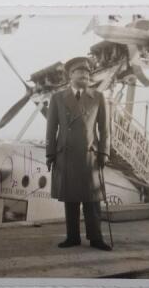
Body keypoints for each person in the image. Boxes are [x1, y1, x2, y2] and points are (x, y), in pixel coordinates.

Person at [46, 57, 112, 251]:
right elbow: (51, 129)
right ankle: (72, 236)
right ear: (70, 75)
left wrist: (104, 152)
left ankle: (96, 238)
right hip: (65, 155)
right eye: (80, 72)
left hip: (89, 154)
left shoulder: (98, 97)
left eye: (88, 72)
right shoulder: (58, 98)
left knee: (92, 200)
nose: (85, 75)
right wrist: (50, 154)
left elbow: (105, 129)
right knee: (71, 198)